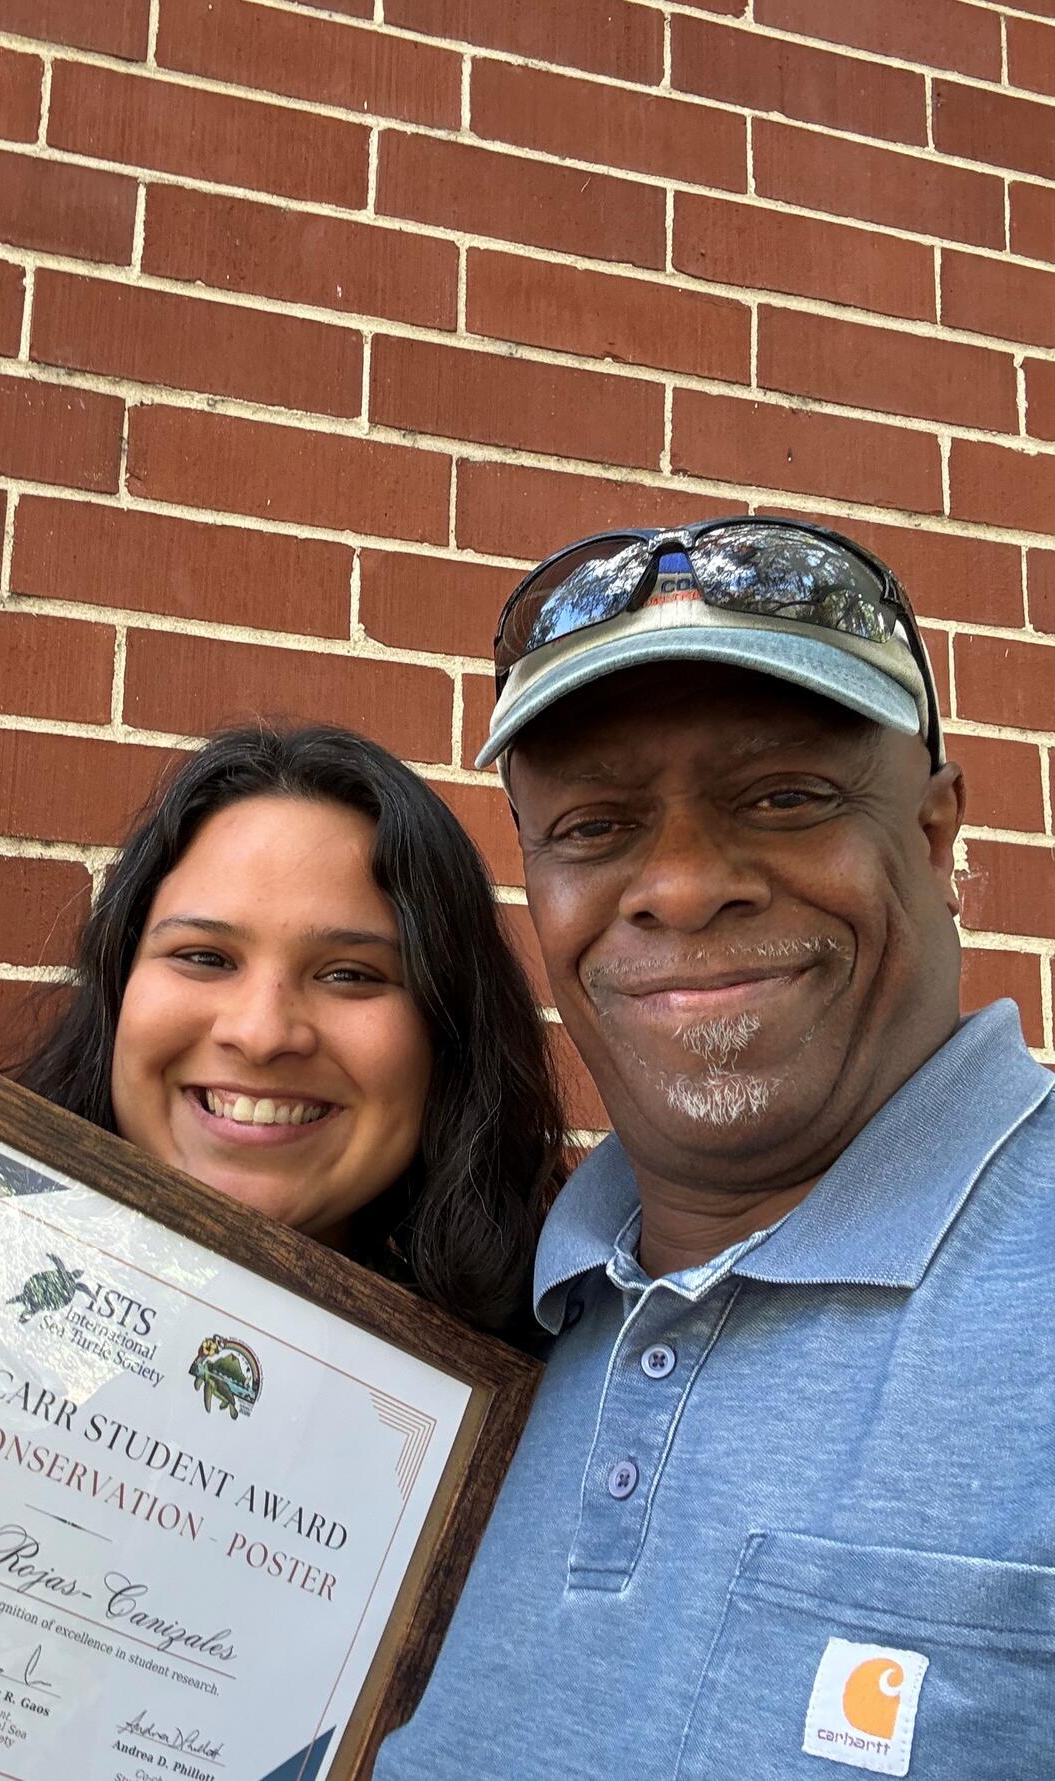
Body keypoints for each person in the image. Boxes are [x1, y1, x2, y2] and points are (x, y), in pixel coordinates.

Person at [374, 517, 1055, 1778]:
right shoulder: (481, 1335)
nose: (683, 885)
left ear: (935, 835)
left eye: (784, 797)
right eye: (594, 825)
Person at [0, 724, 563, 1334]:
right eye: (203, 957)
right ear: (119, 991)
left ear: (449, 1032)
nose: (261, 1033)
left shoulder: (555, 1405)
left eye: (350, 974)